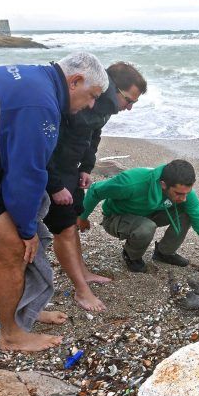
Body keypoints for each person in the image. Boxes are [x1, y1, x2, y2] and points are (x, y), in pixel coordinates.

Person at [0, 52, 108, 352]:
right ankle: (11, 335)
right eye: (92, 96)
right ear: (75, 80)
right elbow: (26, 174)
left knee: (20, 243)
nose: (92, 105)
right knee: (14, 251)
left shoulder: (35, 78)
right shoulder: (40, 104)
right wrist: (27, 229)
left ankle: (25, 311)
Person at [44, 62, 147, 312]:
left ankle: (83, 272)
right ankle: (81, 291)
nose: (130, 107)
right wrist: (55, 185)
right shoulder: (77, 100)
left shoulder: (105, 107)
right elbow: (46, 144)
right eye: (129, 100)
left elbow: (93, 136)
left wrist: (85, 168)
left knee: (74, 221)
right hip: (53, 171)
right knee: (63, 229)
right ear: (113, 88)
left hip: (72, 168)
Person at [78, 160, 199, 278]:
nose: (184, 198)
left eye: (187, 193)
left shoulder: (183, 193)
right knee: (147, 227)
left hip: (149, 213)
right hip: (116, 217)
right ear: (163, 184)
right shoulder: (130, 182)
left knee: (188, 212)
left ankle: (164, 252)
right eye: (179, 193)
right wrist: (82, 217)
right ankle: (131, 256)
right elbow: (95, 191)